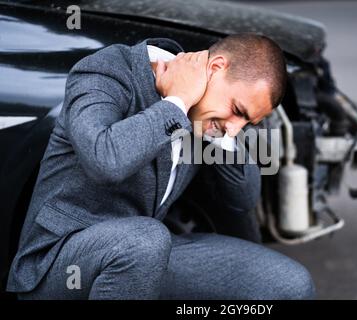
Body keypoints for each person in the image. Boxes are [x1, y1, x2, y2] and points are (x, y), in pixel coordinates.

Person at [7, 34, 315, 299]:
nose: (236, 127)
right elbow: (105, 159)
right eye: (238, 110)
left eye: (247, 121)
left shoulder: (209, 121)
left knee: (290, 284)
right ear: (217, 67)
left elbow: (243, 198)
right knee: (146, 240)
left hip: (143, 258)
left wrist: (221, 135)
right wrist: (176, 102)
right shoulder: (109, 71)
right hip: (58, 262)